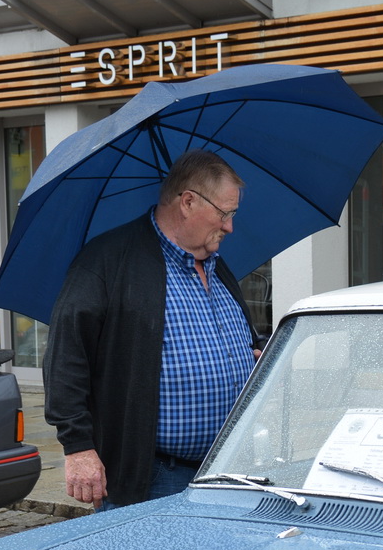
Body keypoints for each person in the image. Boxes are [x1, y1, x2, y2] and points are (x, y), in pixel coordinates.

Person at [43, 150, 259, 510]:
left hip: (227, 470)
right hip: (153, 476)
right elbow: (66, 358)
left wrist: (255, 354)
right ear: (188, 202)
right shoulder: (107, 261)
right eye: (225, 213)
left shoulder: (217, 266)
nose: (229, 226)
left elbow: (239, 339)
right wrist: (78, 448)